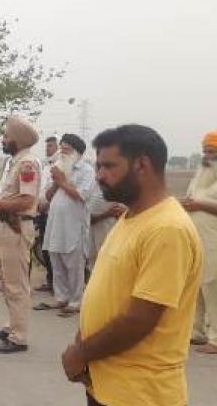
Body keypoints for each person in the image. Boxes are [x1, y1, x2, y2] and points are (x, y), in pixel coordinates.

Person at [61, 124, 203, 406]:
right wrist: (82, 343)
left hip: (140, 394)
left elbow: (139, 320)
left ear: (141, 165)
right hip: (108, 385)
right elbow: (108, 292)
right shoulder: (131, 218)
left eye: (109, 166)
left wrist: (81, 353)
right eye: (98, 166)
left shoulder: (167, 229)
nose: (100, 175)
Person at [0, 114, 40, 354]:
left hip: (17, 227)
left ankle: (19, 337)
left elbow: (26, 199)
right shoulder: (16, 162)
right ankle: (12, 325)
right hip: (8, 226)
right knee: (9, 281)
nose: (3, 139)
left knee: (16, 283)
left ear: (17, 139)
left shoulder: (27, 163)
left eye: (6, 136)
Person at [35, 134, 96, 318]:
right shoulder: (57, 168)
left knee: (73, 263)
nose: (63, 151)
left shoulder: (86, 170)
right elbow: (47, 196)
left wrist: (63, 181)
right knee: (56, 259)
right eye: (62, 148)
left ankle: (75, 301)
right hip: (55, 223)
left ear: (77, 152)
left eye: (67, 148)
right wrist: (56, 181)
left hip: (74, 224)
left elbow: (82, 195)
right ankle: (61, 298)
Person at [182, 130, 217, 354]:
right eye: (205, 151)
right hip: (196, 240)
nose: (207, 156)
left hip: (214, 241)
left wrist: (199, 205)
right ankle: (197, 332)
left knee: (213, 288)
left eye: (212, 152)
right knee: (196, 286)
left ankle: (215, 338)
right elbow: (191, 199)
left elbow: (201, 204)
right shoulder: (201, 174)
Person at [35, 136, 59, 293]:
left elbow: (56, 190)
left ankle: (56, 283)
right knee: (44, 247)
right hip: (41, 211)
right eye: (47, 146)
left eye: (51, 146)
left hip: (52, 212)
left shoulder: (59, 166)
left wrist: (46, 204)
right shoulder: (45, 166)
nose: (47, 148)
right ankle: (50, 279)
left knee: (53, 249)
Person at [87, 188, 125, 269]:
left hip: (109, 235)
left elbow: (123, 210)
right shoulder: (94, 192)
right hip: (93, 238)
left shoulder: (116, 190)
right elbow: (87, 218)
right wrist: (107, 214)